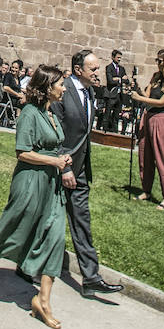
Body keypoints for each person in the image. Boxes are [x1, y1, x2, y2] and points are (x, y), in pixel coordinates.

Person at [0, 65, 73, 329]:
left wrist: (62, 160)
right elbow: (22, 152)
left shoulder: (51, 115)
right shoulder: (29, 113)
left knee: (55, 237)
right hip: (30, 182)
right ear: (48, 87)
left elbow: (54, 147)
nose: (64, 88)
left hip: (52, 184)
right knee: (16, 232)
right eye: (61, 84)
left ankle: (43, 302)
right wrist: (54, 161)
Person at [51, 48, 125, 298]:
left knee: (82, 222)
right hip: (61, 169)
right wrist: (65, 167)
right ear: (78, 70)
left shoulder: (90, 92)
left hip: (81, 170)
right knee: (46, 219)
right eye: (93, 68)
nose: (97, 72)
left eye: (97, 68)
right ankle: (27, 265)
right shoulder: (62, 91)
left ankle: (91, 278)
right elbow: (56, 133)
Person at [134, 48, 164, 210]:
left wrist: (140, 98)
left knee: (162, 158)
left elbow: (162, 102)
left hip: (162, 119)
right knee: (144, 155)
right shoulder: (155, 77)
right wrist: (137, 90)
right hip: (149, 117)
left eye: (160, 61)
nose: (157, 63)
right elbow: (147, 97)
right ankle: (146, 190)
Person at [102, 49, 126, 132]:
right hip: (111, 94)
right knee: (108, 113)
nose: (119, 59)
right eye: (117, 57)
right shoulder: (109, 67)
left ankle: (114, 131)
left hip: (119, 94)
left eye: (120, 58)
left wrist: (117, 79)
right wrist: (120, 79)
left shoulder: (122, 69)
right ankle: (105, 129)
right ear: (113, 57)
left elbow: (126, 80)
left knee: (116, 114)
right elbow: (110, 81)